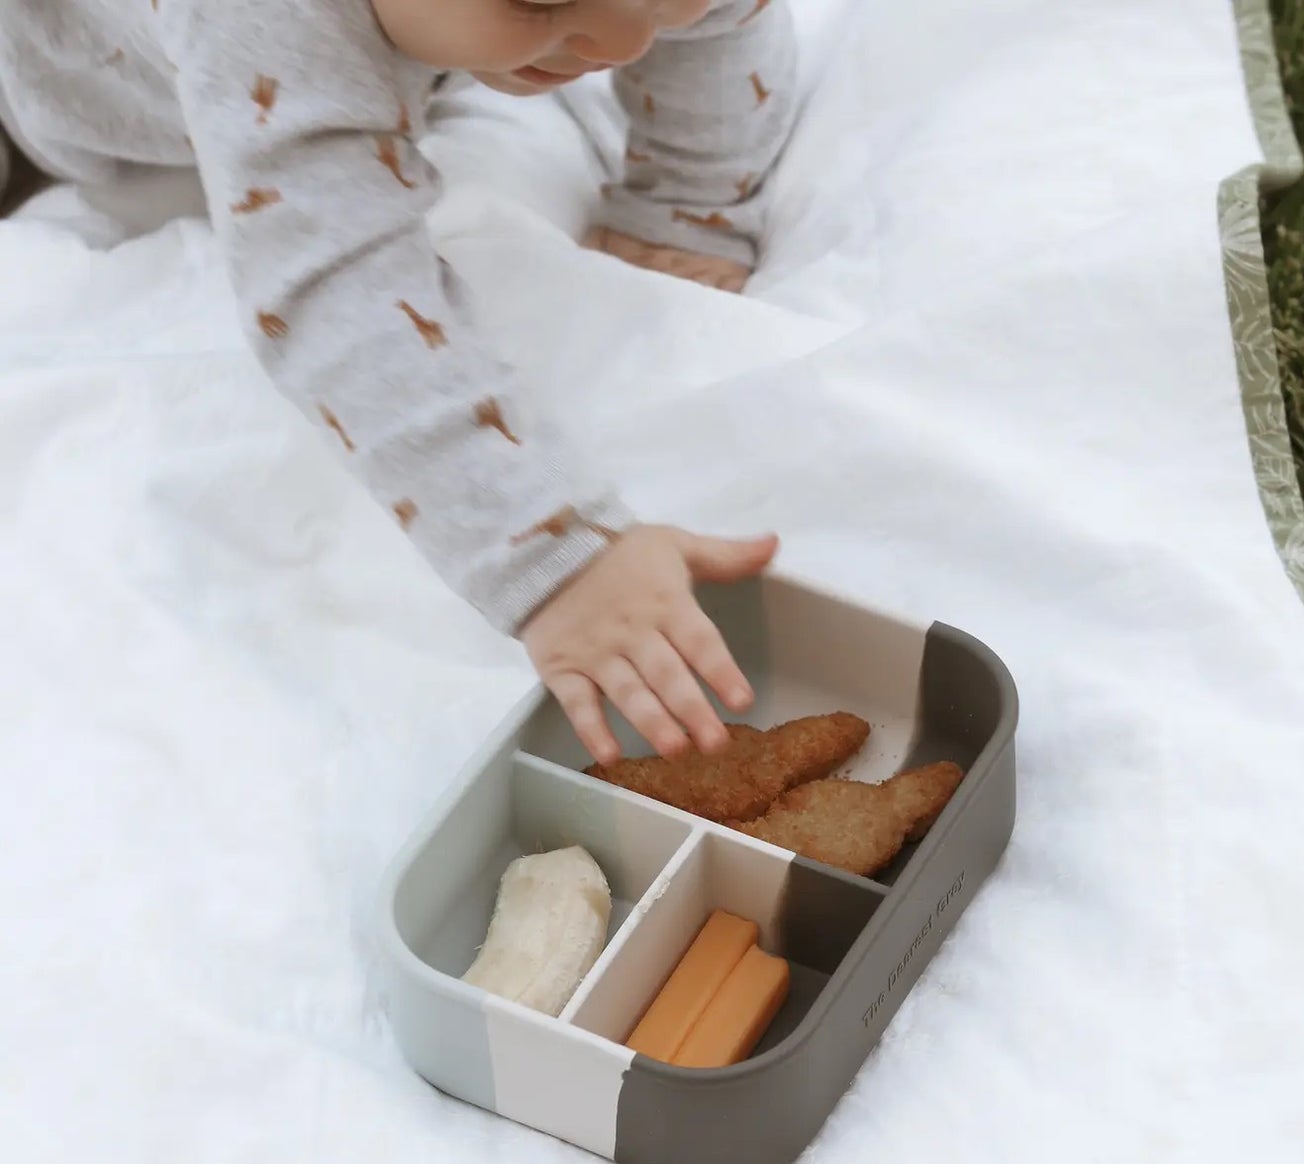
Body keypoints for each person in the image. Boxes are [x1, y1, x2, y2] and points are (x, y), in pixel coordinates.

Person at [0, 0, 797, 764]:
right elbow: (335, 284)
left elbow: (728, 17)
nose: (622, 39)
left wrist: (689, 202)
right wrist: (553, 554)